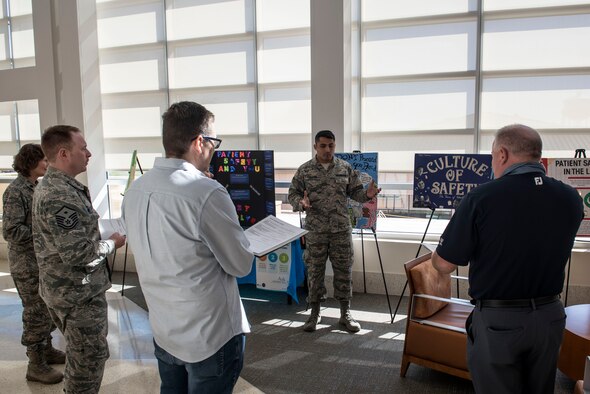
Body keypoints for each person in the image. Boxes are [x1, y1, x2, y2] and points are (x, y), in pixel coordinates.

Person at [431, 124, 583, 394]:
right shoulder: (571, 198)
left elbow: (444, 264)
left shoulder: (482, 198)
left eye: (491, 156)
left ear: (501, 154)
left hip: (499, 322)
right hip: (550, 317)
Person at [121, 101, 254, 394]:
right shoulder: (205, 192)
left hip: (164, 326)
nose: (214, 150)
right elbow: (241, 264)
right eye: (214, 142)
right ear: (199, 142)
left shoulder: (135, 191)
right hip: (209, 334)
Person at [32, 125, 126, 394]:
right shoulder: (60, 195)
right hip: (77, 295)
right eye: (82, 148)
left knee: (81, 355)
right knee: (87, 361)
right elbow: (79, 254)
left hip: (68, 290)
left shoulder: (59, 187)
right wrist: (112, 243)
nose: (89, 153)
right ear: (63, 153)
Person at [288, 130, 381, 332]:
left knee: (343, 271)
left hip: (340, 229)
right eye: (323, 146)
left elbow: (355, 192)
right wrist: (301, 203)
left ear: (334, 145)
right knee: (315, 271)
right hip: (316, 230)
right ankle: (314, 313)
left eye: (331, 145)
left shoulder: (344, 168)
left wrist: (367, 194)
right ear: (315, 147)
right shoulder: (305, 170)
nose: (327, 149)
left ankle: (345, 314)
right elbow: (292, 194)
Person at [2, 144, 65, 384]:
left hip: (41, 262)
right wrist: (44, 232)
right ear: (30, 162)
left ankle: (46, 351)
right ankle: (35, 364)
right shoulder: (16, 191)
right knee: (35, 313)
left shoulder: (36, 187)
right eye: (43, 160)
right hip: (27, 265)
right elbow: (10, 230)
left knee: (46, 309)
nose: (47, 164)